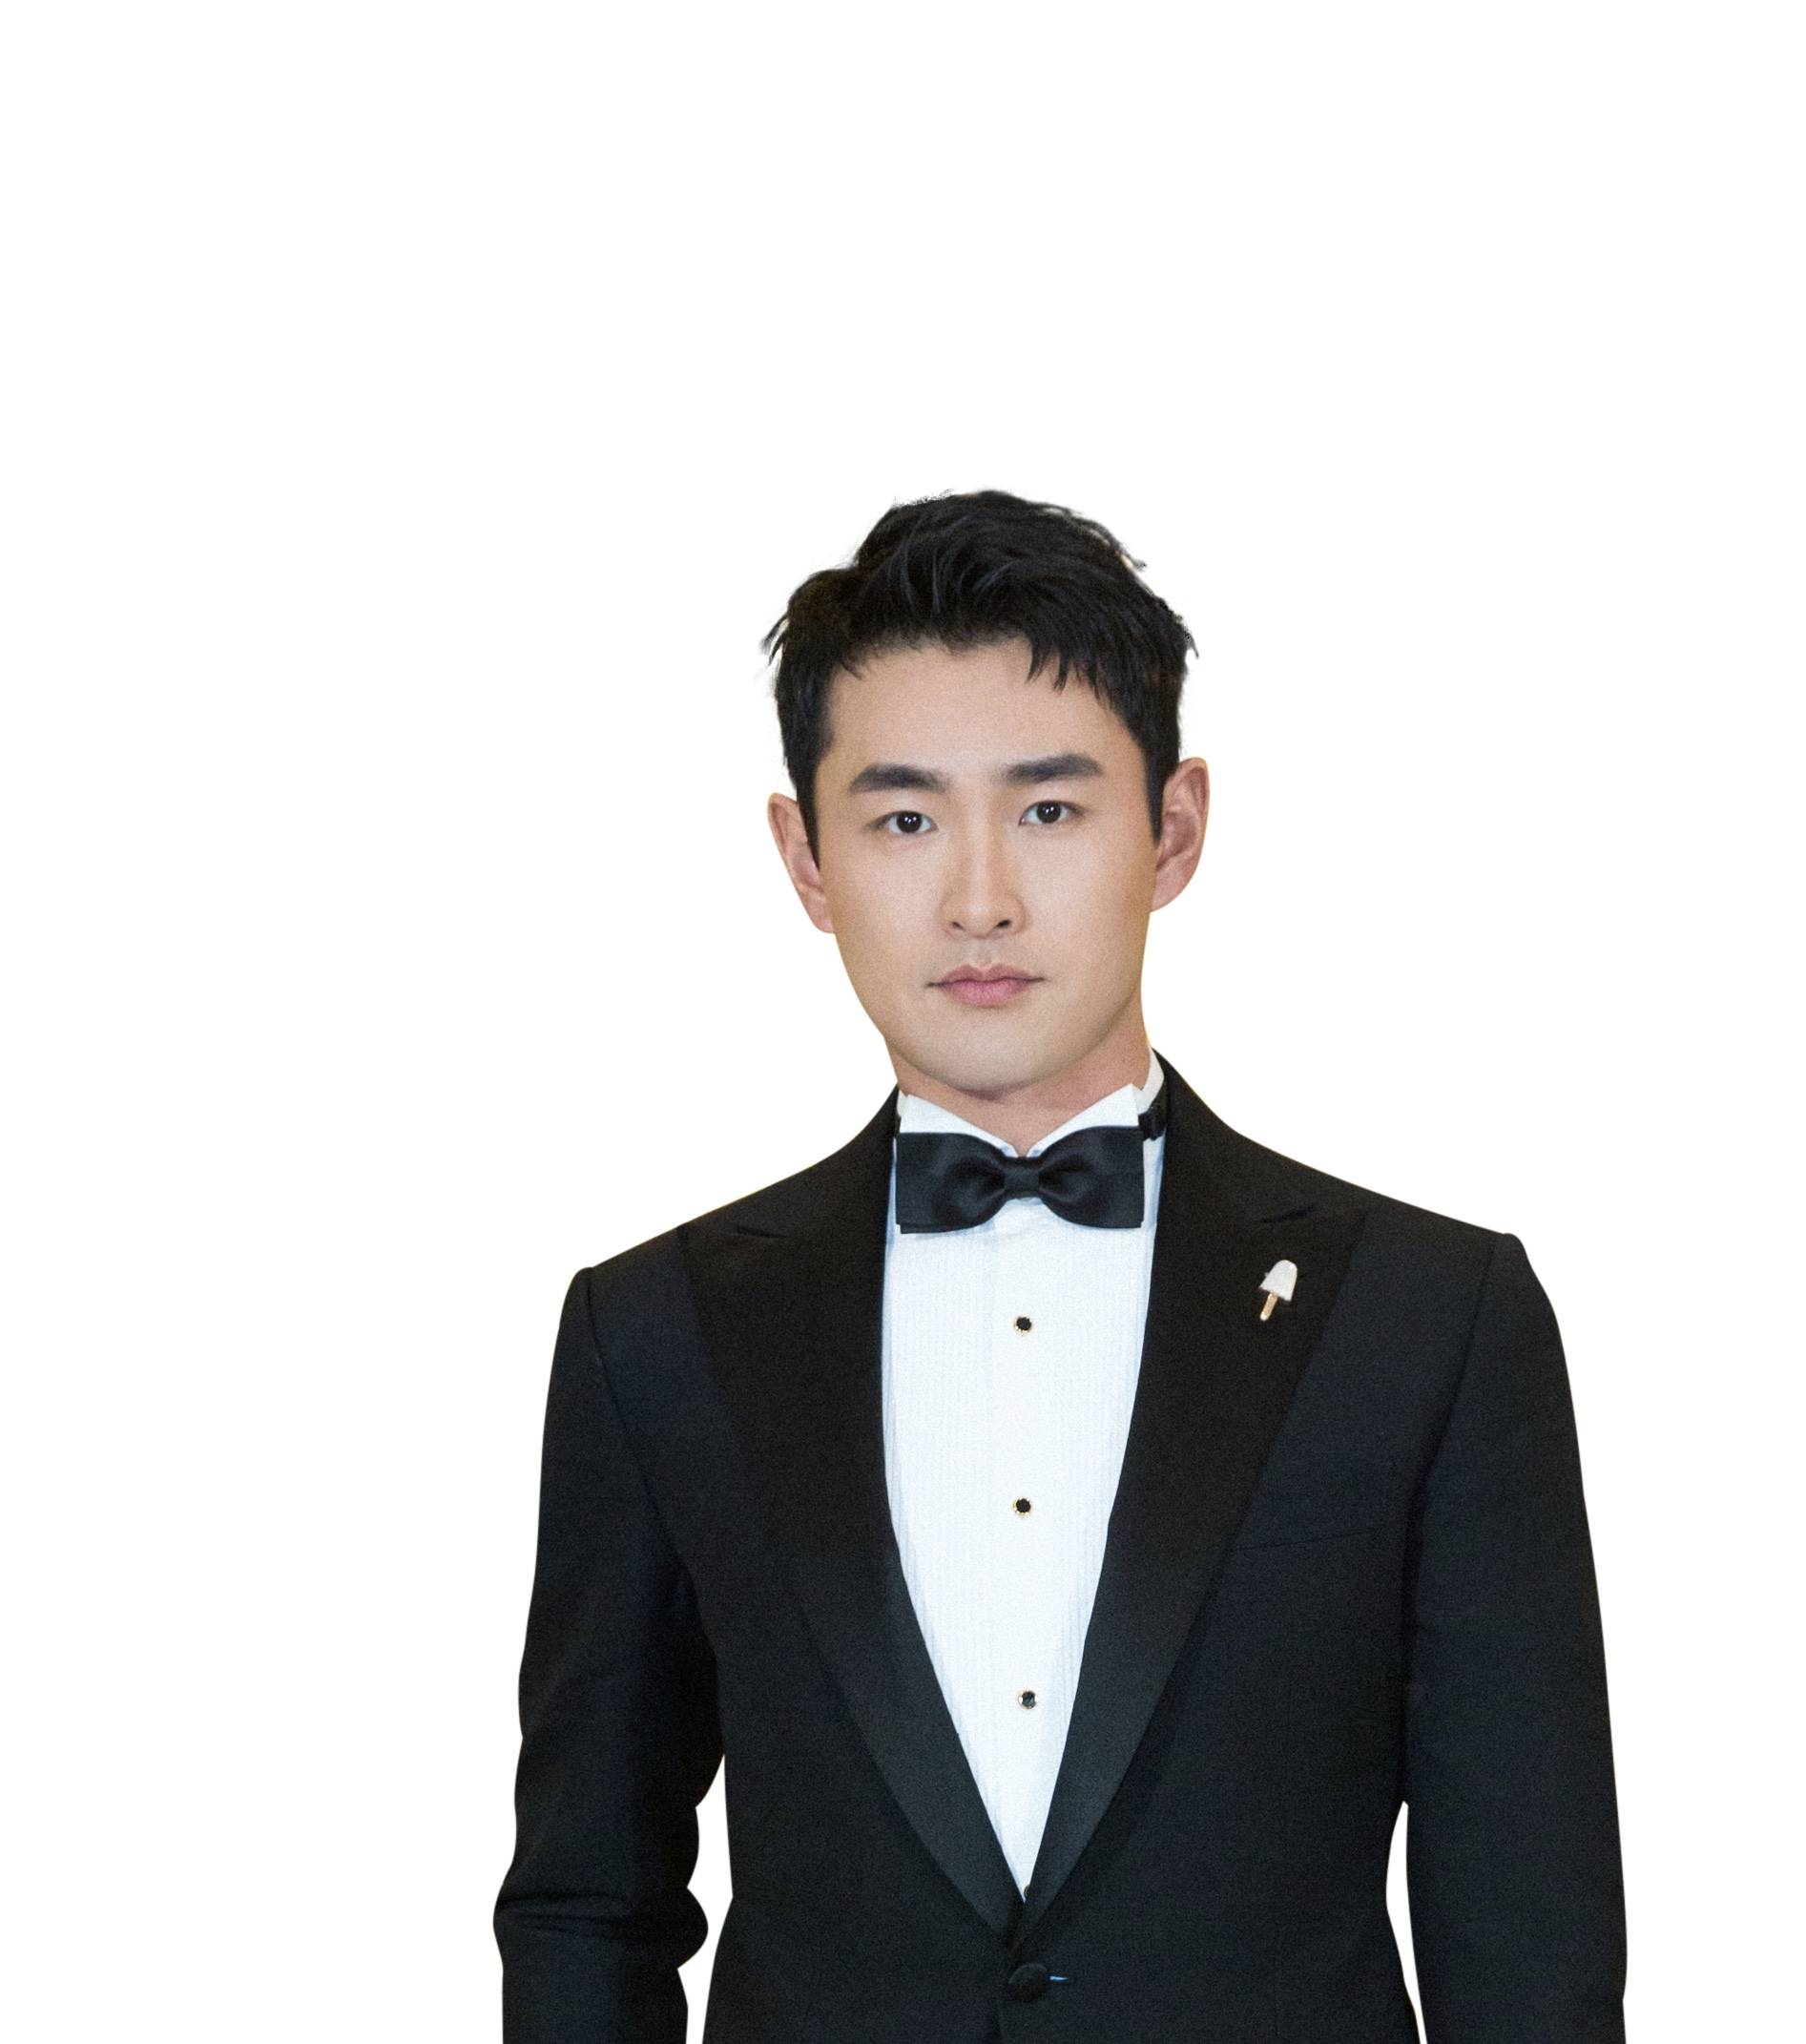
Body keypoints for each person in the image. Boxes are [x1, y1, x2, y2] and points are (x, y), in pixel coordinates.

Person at [494, 491, 1626, 2043]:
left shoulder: (1428, 1322)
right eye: (903, 819)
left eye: (1047, 809)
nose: (979, 898)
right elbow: (587, 1901)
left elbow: (1531, 1937)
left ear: (1174, 828)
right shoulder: (657, 1333)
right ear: (804, 858)